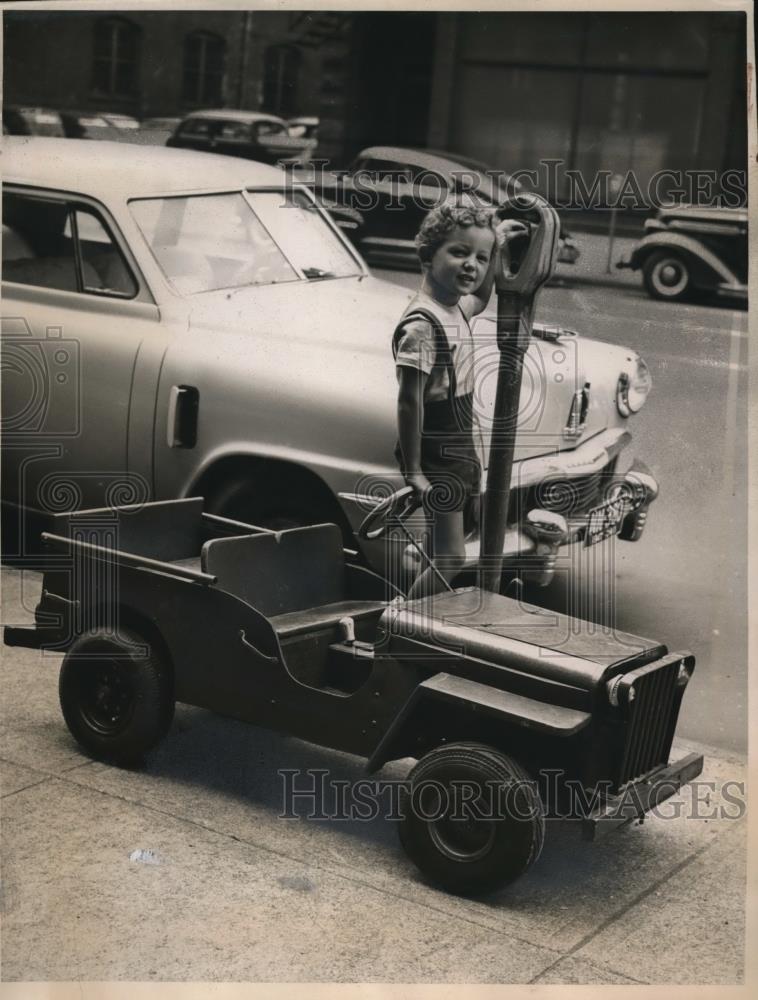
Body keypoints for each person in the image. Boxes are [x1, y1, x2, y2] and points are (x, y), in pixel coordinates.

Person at [393, 202, 528, 599]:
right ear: (426, 255)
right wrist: (415, 471)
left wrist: (499, 243)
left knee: (447, 546)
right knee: (450, 557)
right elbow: (409, 402)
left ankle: (417, 613)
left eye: (481, 258)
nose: (472, 265)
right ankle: (401, 619)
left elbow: (482, 298)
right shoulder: (422, 325)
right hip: (436, 450)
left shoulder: (455, 308)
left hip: (457, 447)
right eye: (459, 252)